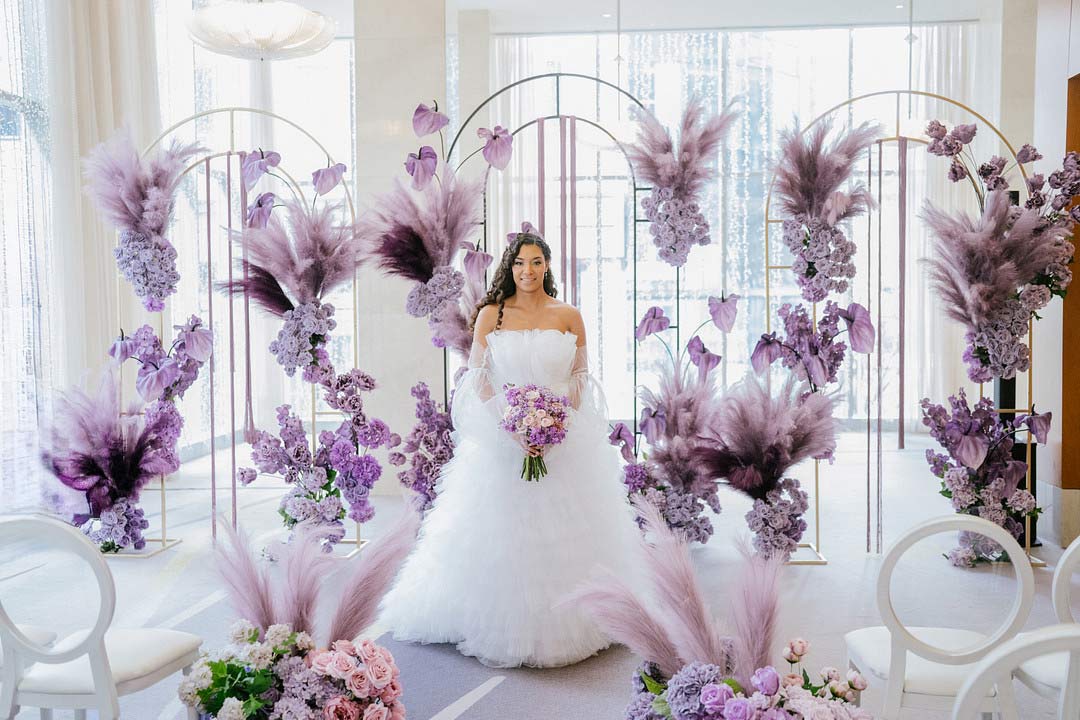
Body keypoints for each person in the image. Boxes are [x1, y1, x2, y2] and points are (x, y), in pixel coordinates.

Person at [379, 231, 642, 668]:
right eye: (520, 263)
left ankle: (576, 620)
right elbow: (478, 376)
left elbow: (579, 377)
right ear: (510, 267)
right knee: (501, 531)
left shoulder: (569, 315)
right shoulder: (491, 315)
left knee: (569, 534)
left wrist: (556, 423)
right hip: (503, 434)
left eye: (537, 262)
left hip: (563, 439)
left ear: (548, 266)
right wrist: (513, 424)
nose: (528, 271)